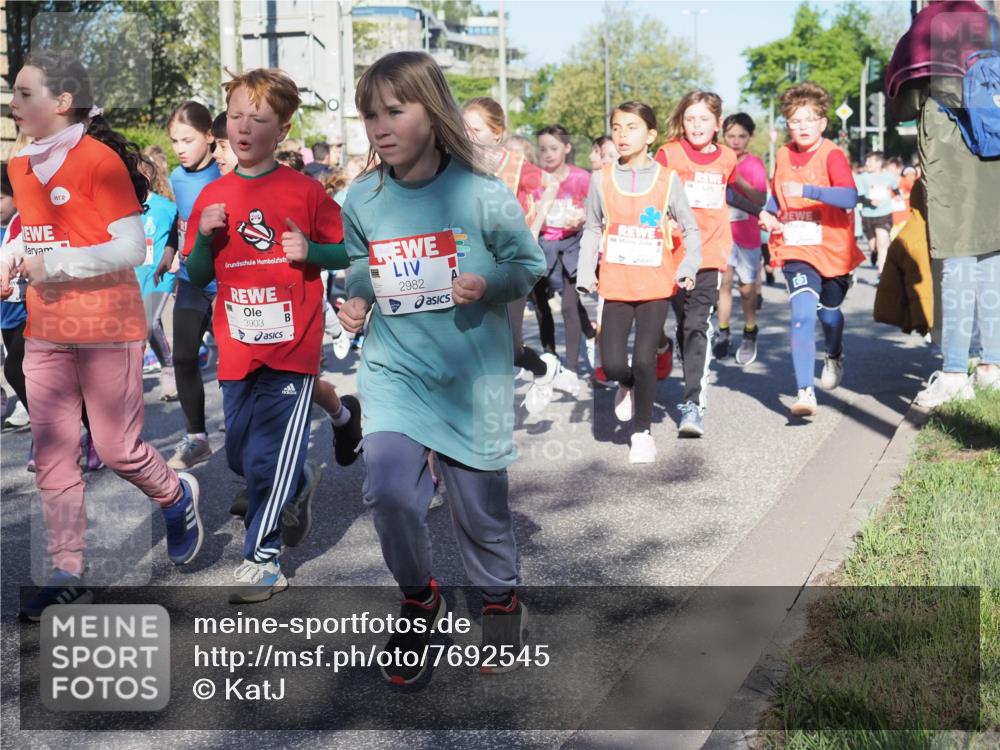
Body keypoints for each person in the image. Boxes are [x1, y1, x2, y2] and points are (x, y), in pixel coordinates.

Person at [337, 51, 545, 684]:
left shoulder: (483, 193)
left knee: (478, 510)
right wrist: (354, 297)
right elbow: (357, 261)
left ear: (433, 110)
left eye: (394, 111)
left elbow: (529, 266)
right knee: (391, 491)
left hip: (472, 376)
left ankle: (499, 598)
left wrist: (488, 282)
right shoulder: (363, 197)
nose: (378, 126)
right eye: (369, 115)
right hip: (395, 372)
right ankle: (417, 598)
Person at [2, 50, 203, 620]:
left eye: (23, 94)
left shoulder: (99, 162)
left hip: (108, 327)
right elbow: (34, 236)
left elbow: (128, 248)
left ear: (61, 103)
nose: (13, 105)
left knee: (117, 450)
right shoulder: (22, 167)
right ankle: (68, 573)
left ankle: (176, 494)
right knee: (54, 457)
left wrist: (54, 265)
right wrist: (12, 255)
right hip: (47, 329)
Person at [183, 67, 352, 601]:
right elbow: (195, 275)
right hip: (236, 346)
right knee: (239, 455)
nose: (243, 127)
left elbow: (349, 249)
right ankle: (295, 483)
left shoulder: (304, 192)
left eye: (258, 119)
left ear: (281, 130)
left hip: (292, 345)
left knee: (265, 458)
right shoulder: (214, 196)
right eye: (234, 116)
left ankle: (264, 558)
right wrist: (207, 240)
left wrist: (314, 253)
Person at [887, 1, 1000, 405]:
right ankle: (992, 366)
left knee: (955, 258)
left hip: (951, 152)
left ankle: (954, 371)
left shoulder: (931, 21)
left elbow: (904, 98)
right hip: (995, 151)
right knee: (991, 256)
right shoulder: (991, 24)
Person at [577, 102, 701, 463]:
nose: (622, 135)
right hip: (615, 284)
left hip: (656, 284)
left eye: (631, 128)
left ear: (650, 136)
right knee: (614, 365)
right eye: (616, 128)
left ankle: (642, 432)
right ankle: (627, 384)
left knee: (643, 359)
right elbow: (592, 229)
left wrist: (689, 265)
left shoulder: (668, 180)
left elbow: (691, 229)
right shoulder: (600, 179)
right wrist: (586, 274)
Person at [758, 82, 864, 417]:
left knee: (829, 317)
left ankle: (834, 353)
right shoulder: (784, 154)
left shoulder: (831, 154)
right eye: (794, 120)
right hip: (797, 249)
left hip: (832, 250)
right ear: (786, 124)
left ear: (822, 123)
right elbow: (777, 194)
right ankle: (805, 391)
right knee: (802, 317)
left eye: (809, 119)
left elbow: (849, 197)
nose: (802, 126)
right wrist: (768, 211)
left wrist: (808, 189)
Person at [654, 91, 755, 436]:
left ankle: (692, 405)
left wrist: (763, 211)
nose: (696, 125)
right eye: (690, 118)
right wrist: (661, 220)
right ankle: (666, 350)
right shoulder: (668, 154)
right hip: (670, 255)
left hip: (709, 254)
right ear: (682, 122)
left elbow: (727, 195)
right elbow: (653, 199)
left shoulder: (727, 158)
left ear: (717, 124)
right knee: (683, 325)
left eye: (704, 119)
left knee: (696, 325)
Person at [462, 96, 561, 414]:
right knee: (468, 341)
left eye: (475, 129)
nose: (467, 135)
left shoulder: (515, 165)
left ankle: (543, 371)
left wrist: (536, 223)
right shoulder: (457, 164)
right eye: (464, 128)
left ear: (497, 133)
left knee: (510, 348)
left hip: (510, 263)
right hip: (471, 260)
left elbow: (552, 184)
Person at [157, 101, 221, 470]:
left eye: (188, 139)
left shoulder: (224, 174)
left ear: (209, 136)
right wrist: (169, 249)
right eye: (174, 141)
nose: (180, 148)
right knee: (182, 357)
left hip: (225, 284)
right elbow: (182, 219)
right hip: (189, 281)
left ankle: (249, 430)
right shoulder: (179, 179)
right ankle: (197, 437)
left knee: (234, 367)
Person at [533, 124, 592, 397]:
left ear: (567, 148)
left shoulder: (581, 178)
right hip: (542, 246)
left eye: (554, 148)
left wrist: (581, 217)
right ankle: (550, 356)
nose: (548, 154)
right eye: (543, 148)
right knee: (542, 306)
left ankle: (571, 370)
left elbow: (596, 211)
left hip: (572, 246)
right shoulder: (534, 179)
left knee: (569, 305)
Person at [716, 113, 767, 366]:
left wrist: (736, 178)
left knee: (746, 290)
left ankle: (750, 330)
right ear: (723, 136)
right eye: (731, 136)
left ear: (749, 138)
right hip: (722, 233)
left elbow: (760, 199)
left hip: (747, 234)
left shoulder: (754, 164)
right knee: (723, 283)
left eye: (741, 136)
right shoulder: (716, 160)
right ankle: (723, 330)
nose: (735, 141)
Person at [137, 147, 179, 402]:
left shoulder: (165, 206)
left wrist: (176, 255)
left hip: (160, 275)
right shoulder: (122, 208)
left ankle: (169, 367)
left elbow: (181, 233)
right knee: (148, 326)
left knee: (149, 323)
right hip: (133, 277)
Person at [854, 151, 899, 276]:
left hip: (885, 213)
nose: (867, 163)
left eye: (870, 160)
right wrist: (870, 201)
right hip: (868, 215)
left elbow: (895, 188)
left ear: (879, 163)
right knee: (874, 246)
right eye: (867, 160)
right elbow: (859, 196)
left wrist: (898, 195)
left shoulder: (888, 176)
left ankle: (882, 274)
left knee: (883, 243)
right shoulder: (862, 177)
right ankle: (874, 253)